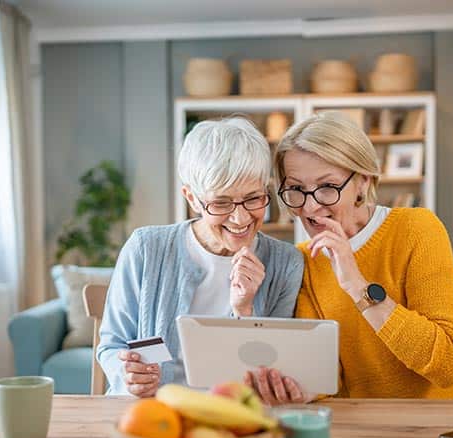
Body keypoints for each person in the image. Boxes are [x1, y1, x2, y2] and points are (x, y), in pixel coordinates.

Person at [245, 111, 453, 404]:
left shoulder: (417, 230)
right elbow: (329, 374)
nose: (310, 207)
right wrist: (300, 387)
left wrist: (358, 287)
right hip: (368, 424)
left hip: (450, 421)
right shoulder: (304, 261)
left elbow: (447, 366)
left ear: (363, 180)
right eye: (296, 189)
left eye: (326, 187)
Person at [97, 117, 304, 396]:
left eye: (253, 198)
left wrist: (245, 311)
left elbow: (272, 376)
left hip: (235, 418)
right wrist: (128, 374)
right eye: (221, 202)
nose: (240, 218)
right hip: (153, 414)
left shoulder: (285, 263)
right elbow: (113, 344)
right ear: (192, 198)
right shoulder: (146, 248)